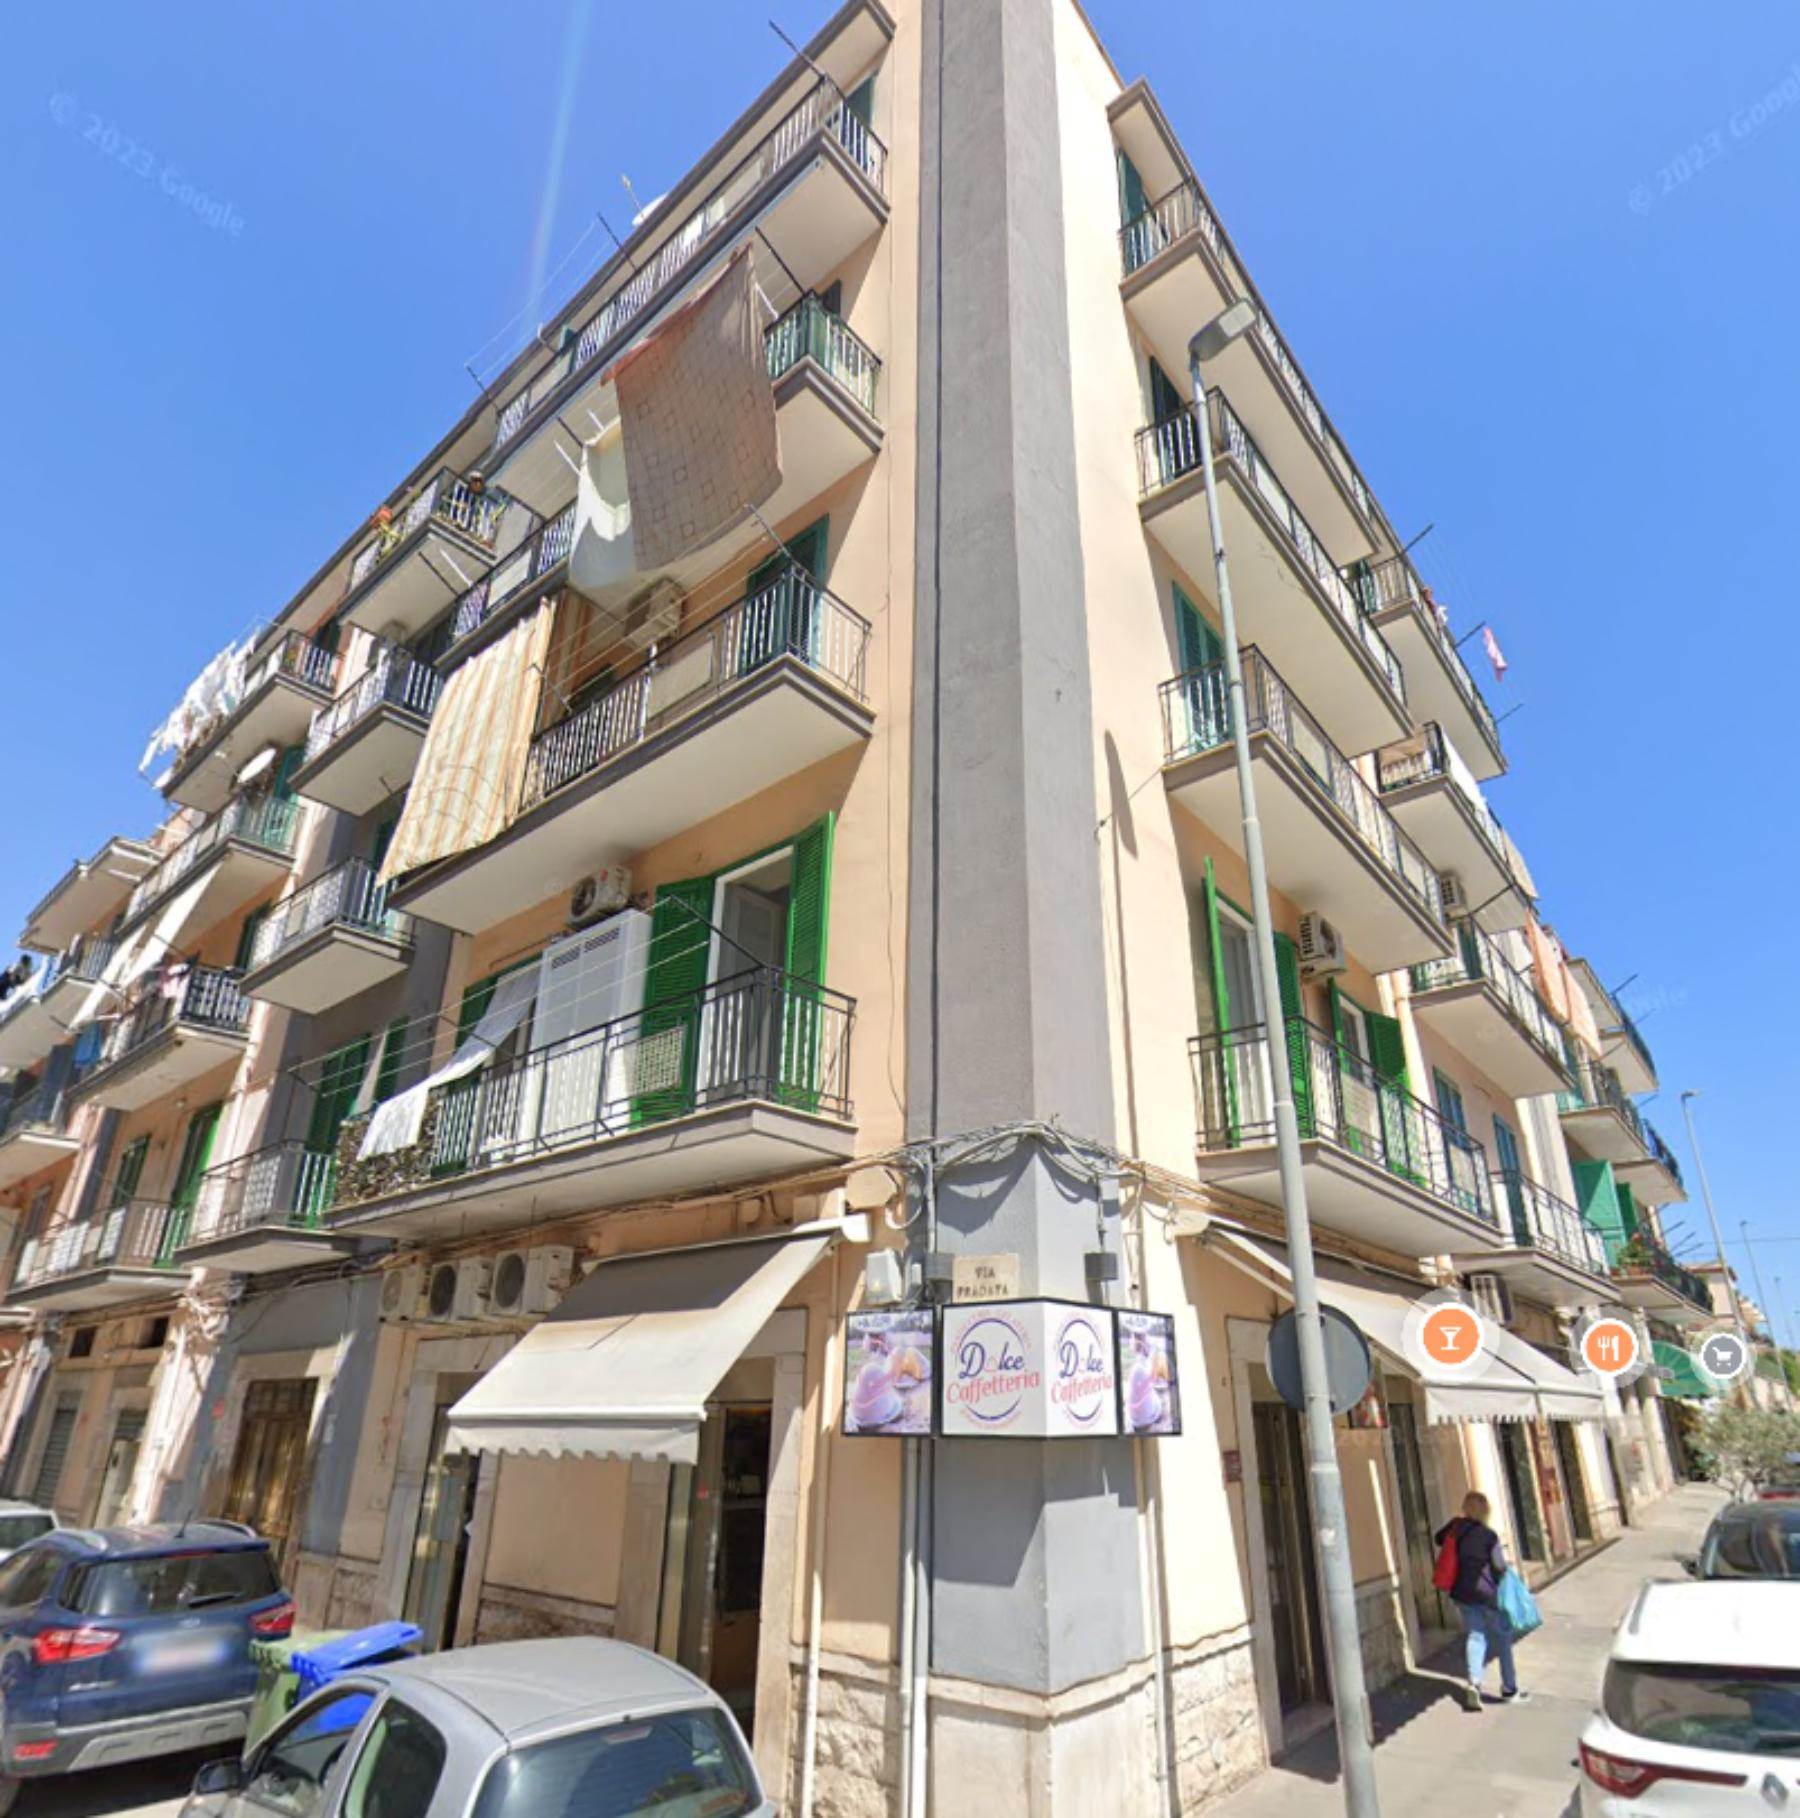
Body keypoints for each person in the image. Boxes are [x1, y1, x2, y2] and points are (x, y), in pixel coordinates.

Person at [1434, 1492, 1525, 1710]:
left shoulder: (1456, 1527)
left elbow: (1438, 1539)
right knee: (1503, 1637)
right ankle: (1509, 1688)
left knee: (1476, 1635)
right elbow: (1499, 1566)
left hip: (1462, 1592)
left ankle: (1474, 1683)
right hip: (1486, 1593)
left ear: (1465, 1507)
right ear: (1485, 1510)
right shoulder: (1489, 1536)